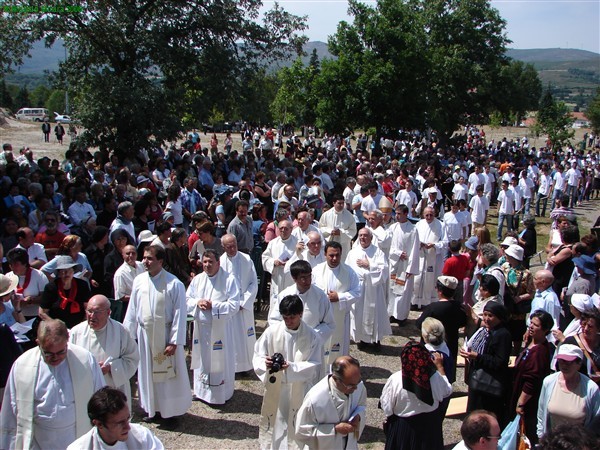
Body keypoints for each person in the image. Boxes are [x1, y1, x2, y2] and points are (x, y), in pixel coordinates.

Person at [0, 319, 105, 450]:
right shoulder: (22, 365)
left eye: (61, 352)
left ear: (67, 340)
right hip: (38, 439)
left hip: (77, 437)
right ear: (38, 343)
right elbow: (10, 411)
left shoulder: (85, 360)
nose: (55, 358)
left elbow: (101, 399)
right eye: (48, 353)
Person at [123, 245, 191, 428]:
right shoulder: (139, 281)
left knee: (167, 377)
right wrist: (127, 335)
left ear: (160, 261)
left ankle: (170, 412)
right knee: (147, 373)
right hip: (145, 336)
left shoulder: (174, 283)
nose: (145, 261)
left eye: (150, 258)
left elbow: (179, 312)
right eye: (144, 258)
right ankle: (152, 408)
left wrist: (175, 340)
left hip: (165, 337)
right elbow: (133, 310)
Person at [253, 295, 322, 450]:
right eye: (285, 318)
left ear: (301, 314)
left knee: (296, 426)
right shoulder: (272, 332)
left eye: (292, 317)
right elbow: (257, 354)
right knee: (276, 426)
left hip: (299, 388)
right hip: (277, 387)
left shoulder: (312, 336)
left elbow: (315, 364)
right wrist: (265, 363)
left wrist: (291, 368)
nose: (289, 321)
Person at [186, 249, 240, 404]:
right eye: (204, 262)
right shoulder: (198, 279)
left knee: (219, 361)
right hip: (202, 329)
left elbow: (234, 305)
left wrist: (213, 306)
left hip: (220, 329)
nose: (207, 265)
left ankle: (220, 393)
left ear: (218, 262)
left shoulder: (229, 279)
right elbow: (187, 298)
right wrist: (198, 302)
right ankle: (201, 391)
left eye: (210, 262)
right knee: (203, 361)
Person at [69, 295, 139, 411]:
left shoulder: (121, 331)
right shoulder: (76, 332)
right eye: (89, 311)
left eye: (97, 312)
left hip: (112, 388)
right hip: (85, 388)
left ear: (108, 312)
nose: (92, 316)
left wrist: (111, 368)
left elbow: (132, 358)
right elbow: (69, 359)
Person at [380, 341, 452, 450]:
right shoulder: (435, 377)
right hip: (430, 428)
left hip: (404, 429)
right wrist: (440, 368)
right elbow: (447, 391)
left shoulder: (395, 379)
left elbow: (387, 407)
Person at [295, 356, 367, 450]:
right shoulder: (315, 399)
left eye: (357, 382)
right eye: (350, 385)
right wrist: (334, 429)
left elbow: (362, 406)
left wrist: (358, 417)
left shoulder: (359, 387)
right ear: (336, 379)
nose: (356, 388)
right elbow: (302, 432)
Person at [460, 302, 512, 426]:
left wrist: (478, 357)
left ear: (499, 317)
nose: (486, 318)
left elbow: (500, 362)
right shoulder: (486, 330)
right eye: (484, 315)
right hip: (477, 381)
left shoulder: (503, 335)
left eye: (490, 316)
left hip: (489, 386)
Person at [312, 241, 361, 366]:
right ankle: (320, 370)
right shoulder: (316, 271)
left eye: (337, 255)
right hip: (320, 317)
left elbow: (357, 292)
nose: (334, 258)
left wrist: (339, 297)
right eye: (331, 255)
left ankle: (338, 370)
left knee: (338, 345)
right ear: (325, 254)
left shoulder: (349, 272)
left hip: (340, 316)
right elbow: (310, 290)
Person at [67, 387, 164, 450]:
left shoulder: (142, 436)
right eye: (120, 423)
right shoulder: (79, 448)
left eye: (128, 419)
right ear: (99, 424)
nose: (128, 427)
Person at [510, 309, 555, 445]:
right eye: (531, 323)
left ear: (545, 329)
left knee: (526, 435)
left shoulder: (539, 352)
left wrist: (521, 403)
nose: (531, 326)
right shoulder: (532, 342)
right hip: (517, 390)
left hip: (528, 403)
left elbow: (532, 381)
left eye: (535, 325)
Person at [536, 344, 600, 439]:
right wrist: (541, 437)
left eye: (568, 362)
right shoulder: (548, 382)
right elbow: (541, 413)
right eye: (561, 361)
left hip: (578, 444)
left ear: (579, 364)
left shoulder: (591, 388)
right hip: (552, 443)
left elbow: (596, 420)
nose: (564, 365)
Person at [347, 228, 391, 350]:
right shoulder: (352, 252)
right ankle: (362, 339)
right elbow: (347, 270)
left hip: (373, 288)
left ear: (371, 238)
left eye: (365, 235)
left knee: (375, 313)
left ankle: (375, 340)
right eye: (360, 235)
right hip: (358, 288)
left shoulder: (378, 252)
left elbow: (385, 269)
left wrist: (369, 265)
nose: (362, 238)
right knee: (358, 314)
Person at [220, 234, 258, 374]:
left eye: (234, 245)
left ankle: (245, 366)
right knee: (231, 337)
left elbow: (253, 283)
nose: (232, 249)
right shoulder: (220, 262)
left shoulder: (246, 259)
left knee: (245, 336)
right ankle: (231, 366)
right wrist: (230, 303)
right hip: (229, 306)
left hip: (243, 306)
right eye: (228, 247)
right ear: (223, 247)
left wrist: (244, 301)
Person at [416, 276, 467, 373]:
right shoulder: (460, 307)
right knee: (448, 373)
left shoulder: (433, 308)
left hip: (431, 348)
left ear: (439, 291)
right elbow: (463, 322)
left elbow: (419, 324)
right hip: (450, 347)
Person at [388, 204, 420, 324]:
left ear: (406, 214)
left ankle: (401, 316)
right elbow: (388, 246)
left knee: (404, 291)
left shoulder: (413, 229)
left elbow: (415, 249)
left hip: (405, 265)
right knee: (392, 289)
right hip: (394, 263)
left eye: (399, 214)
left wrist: (411, 268)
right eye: (395, 213)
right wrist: (397, 253)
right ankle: (391, 313)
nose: (396, 216)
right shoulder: (392, 228)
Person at [40, 255, 91, 329]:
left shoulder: (82, 285)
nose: (66, 273)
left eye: (69, 270)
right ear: (59, 273)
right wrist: (55, 326)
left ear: (73, 271)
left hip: (79, 327)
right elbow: (42, 312)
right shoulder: (51, 287)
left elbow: (88, 308)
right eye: (62, 270)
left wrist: (82, 325)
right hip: (57, 330)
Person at [413, 206, 448, 308]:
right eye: (426, 215)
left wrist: (434, 245)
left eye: (431, 215)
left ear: (435, 214)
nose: (429, 217)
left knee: (430, 279)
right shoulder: (419, 224)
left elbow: (445, 242)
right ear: (423, 215)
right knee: (417, 278)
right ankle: (415, 301)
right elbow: (414, 238)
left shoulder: (441, 225)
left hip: (433, 257)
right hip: (420, 255)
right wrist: (419, 244)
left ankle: (427, 302)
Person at [262, 220, 298, 314]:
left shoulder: (297, 243)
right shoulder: (273, 243)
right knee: (275, 303)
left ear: (291, 229)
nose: (283, 230)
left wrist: (289, 264)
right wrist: (274, 262)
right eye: (281, 228)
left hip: (291, 279)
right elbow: (265, 257)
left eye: (286, 228)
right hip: (277, 278)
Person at [6, 247, 48, 319]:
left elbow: (46, 297)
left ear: (25, 263)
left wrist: (31, 301)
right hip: (15, 317)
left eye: (16, 264)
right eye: (10, 264)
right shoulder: (8, 277)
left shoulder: (39, 275)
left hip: (35, 317)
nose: (12, 267)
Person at [562, 308, 600, 381]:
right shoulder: (571, 342)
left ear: (598, 328)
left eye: (590, 326)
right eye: (583, 324)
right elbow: (560, 366)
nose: (585, 329)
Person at [318, 194, 357, 259]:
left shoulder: (349, 216)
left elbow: (353, 230)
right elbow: (320, 228)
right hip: (330, 241)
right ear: (334, 203)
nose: (341, 205)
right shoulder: (326, 215)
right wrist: (330, 231)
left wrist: (341, 233)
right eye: (339, 203)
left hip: (343, 245)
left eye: (342, 203)